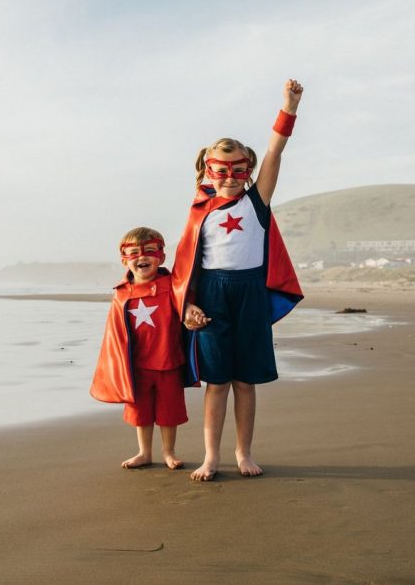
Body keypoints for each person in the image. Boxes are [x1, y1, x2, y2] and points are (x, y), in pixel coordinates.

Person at [172, 79, 305, 481]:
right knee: (217, 382)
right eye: (220, 170)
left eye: (237, 170)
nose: (229, 177)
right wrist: (189, 305)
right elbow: (188, 266)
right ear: (206, 171)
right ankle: (211, 457)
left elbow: (274, 151)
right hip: (212, 295)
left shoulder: (257, 200)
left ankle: (243, 453)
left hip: (250, 293)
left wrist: (289, 107)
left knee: (246, 382)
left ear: (247, 171)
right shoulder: (200, 211)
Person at [90, 227, 198, 470]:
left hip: (169, 361)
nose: (142, 257)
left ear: (161, 257)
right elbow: (114, 336)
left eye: (149, 251)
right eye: (134, 253)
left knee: (169, 412)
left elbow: (186, 304)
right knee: (141, 413)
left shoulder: (172, 285)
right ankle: (144, 452)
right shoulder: (122, 294)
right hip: (136, 366)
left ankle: (169, 452)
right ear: (124, 260)